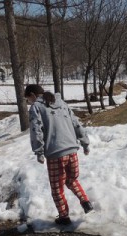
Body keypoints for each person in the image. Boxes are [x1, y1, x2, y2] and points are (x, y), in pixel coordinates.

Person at [25, 84, 93, 225]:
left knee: (57, 188)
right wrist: (85, 142)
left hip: (55, 153)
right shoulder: (62, 104)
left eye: (28, 99)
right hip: (72, 151)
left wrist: (39, 152)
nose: (29, 102)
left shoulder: (36, 107)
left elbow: (36, 130)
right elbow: (76, 124)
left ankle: (63, 217)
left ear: (32, 95)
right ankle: (85, 201)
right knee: (71, 180)